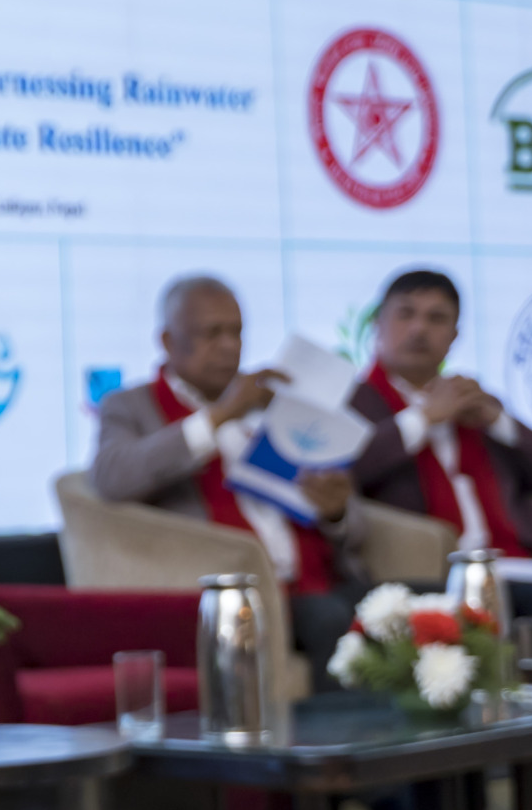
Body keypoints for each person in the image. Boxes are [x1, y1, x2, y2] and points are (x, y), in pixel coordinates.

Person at [89, 273, 373, 669]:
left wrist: (336, 511)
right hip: (233, 594)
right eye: (212, 333)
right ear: (168, 342)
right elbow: (112, 477)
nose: (228, 347)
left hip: (318, 576)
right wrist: (220, 416)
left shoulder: (272, 404)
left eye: (236, 333)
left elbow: (353, 526)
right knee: (331, 621)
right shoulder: (131, 406)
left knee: (408, 606)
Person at [346, 268, 532, 623]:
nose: (419, 329)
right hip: (441, 566)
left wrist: (497, 421)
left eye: (436, 318)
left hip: (522, 558)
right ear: (378, 323)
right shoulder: (356, 402)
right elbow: (351, 470)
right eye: (405, 314)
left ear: (454, 335)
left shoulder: (469, 400)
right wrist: (424, 418)